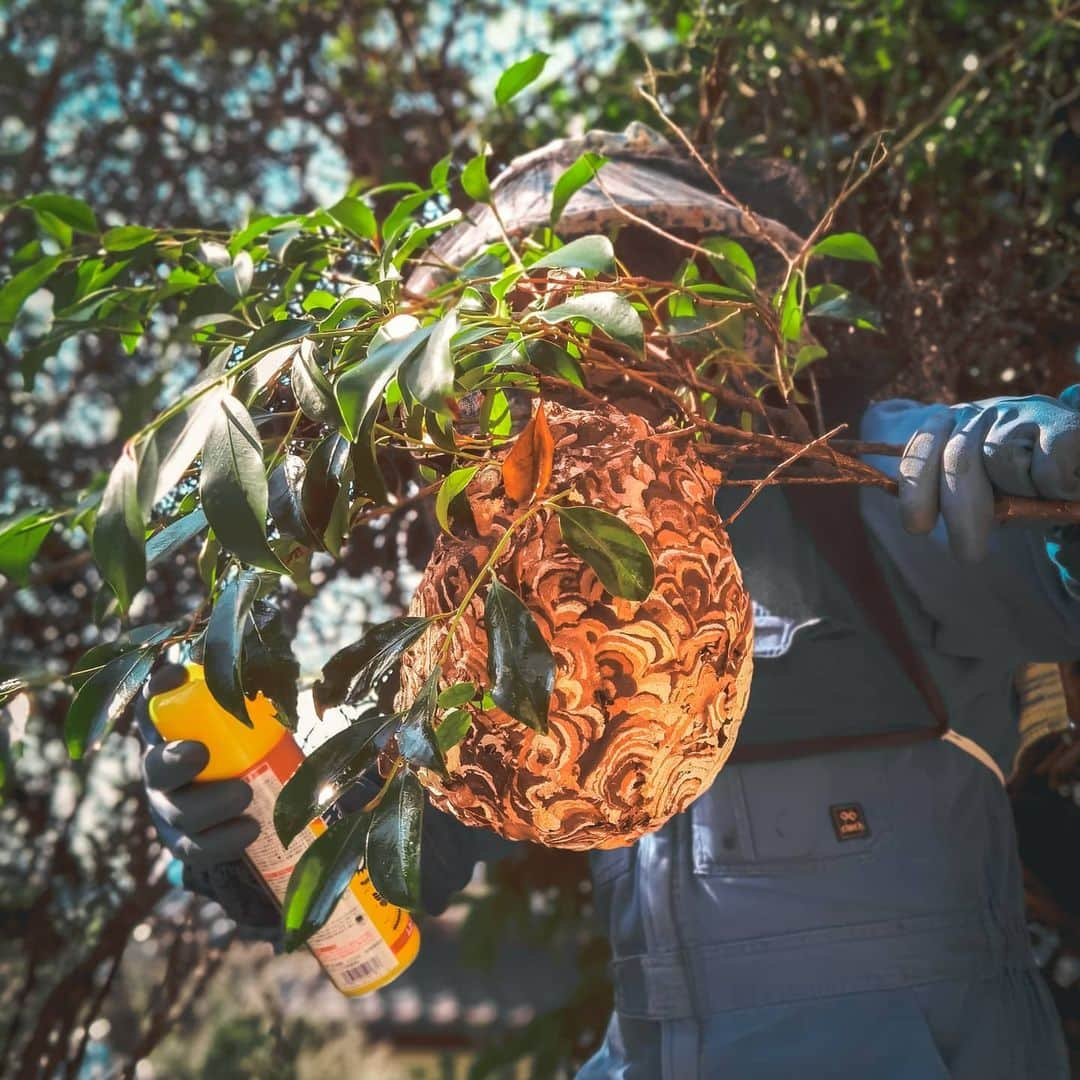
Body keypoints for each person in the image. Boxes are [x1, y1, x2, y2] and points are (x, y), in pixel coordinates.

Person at [141, 131, 1080, 1078]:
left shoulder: (865, 486)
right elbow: (395, 851)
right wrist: (258, 840)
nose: (587, 345)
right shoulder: (511, 587)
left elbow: (1025, 520)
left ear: (735, 314)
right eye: (533, 314)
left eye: (632, 281)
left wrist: (1049, 468)